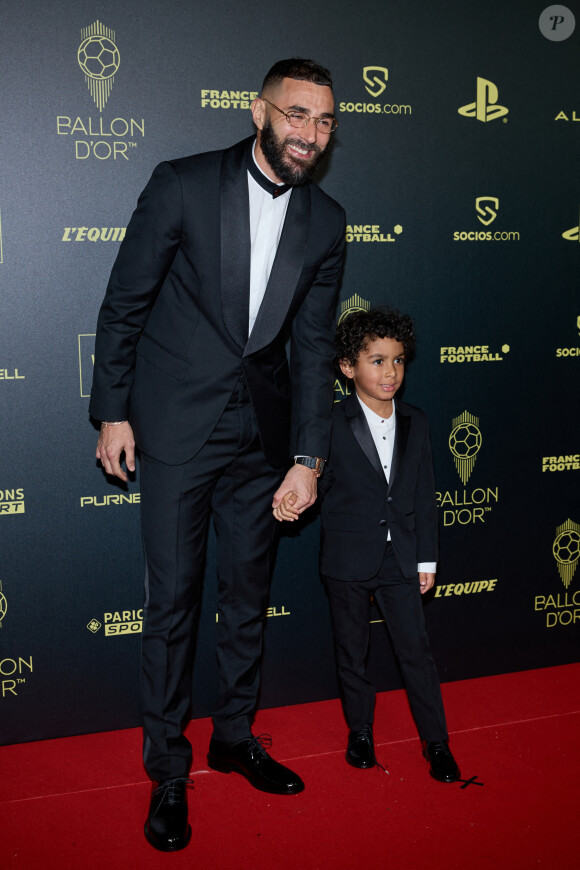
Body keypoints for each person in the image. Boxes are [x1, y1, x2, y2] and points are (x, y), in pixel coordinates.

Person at [89, 58, 345, 852]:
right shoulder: (182, 184)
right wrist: (112, 414)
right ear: (258, 111)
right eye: (297, 115)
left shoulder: (328, 221)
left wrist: (308, 457)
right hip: (174, 427)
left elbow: (311, 351)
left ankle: (234, 737)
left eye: (326, 121)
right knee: (171, 604)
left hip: (262, 439)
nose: (310, 133)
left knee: (248, 595)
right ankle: (169, 767)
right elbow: (124, 303)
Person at [275, 307, 460, 783]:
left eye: (398, 360)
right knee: (351, 652)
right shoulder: (329, 423)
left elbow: (423, 494)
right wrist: (296, 495)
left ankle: (435, 741)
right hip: (345, 559)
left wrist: (426, 557)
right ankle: (360, 732)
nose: (390, 372)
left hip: (400, 558)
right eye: (376, 361)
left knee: (415, 653)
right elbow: (315, 479)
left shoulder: (417, 421)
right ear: (346, 367)